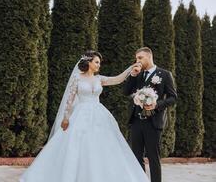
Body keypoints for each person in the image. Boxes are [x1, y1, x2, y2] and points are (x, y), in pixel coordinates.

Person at [19, 50, 149, 182]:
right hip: (81, 114)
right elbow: (70, 100)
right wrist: (65, 118)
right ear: (89, 62)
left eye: (99, 63)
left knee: (101, 144)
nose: (99, 65)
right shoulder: (77, 78)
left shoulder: (99, 79)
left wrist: (130, 69)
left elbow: (117, 79)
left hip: (99, 115)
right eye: (97, 62)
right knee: (77, 144)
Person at [124, 47, 177, 182]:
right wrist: (133, 76)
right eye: (136, 58)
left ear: (149, 56)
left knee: (153, 157)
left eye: (140, 58)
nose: (138, 61)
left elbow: (173, 97)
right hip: (136, 121)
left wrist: (157, 105)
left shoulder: (164, 74)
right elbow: (126, 92)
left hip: (153, 121)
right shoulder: (138, 74)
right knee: (136, 156)